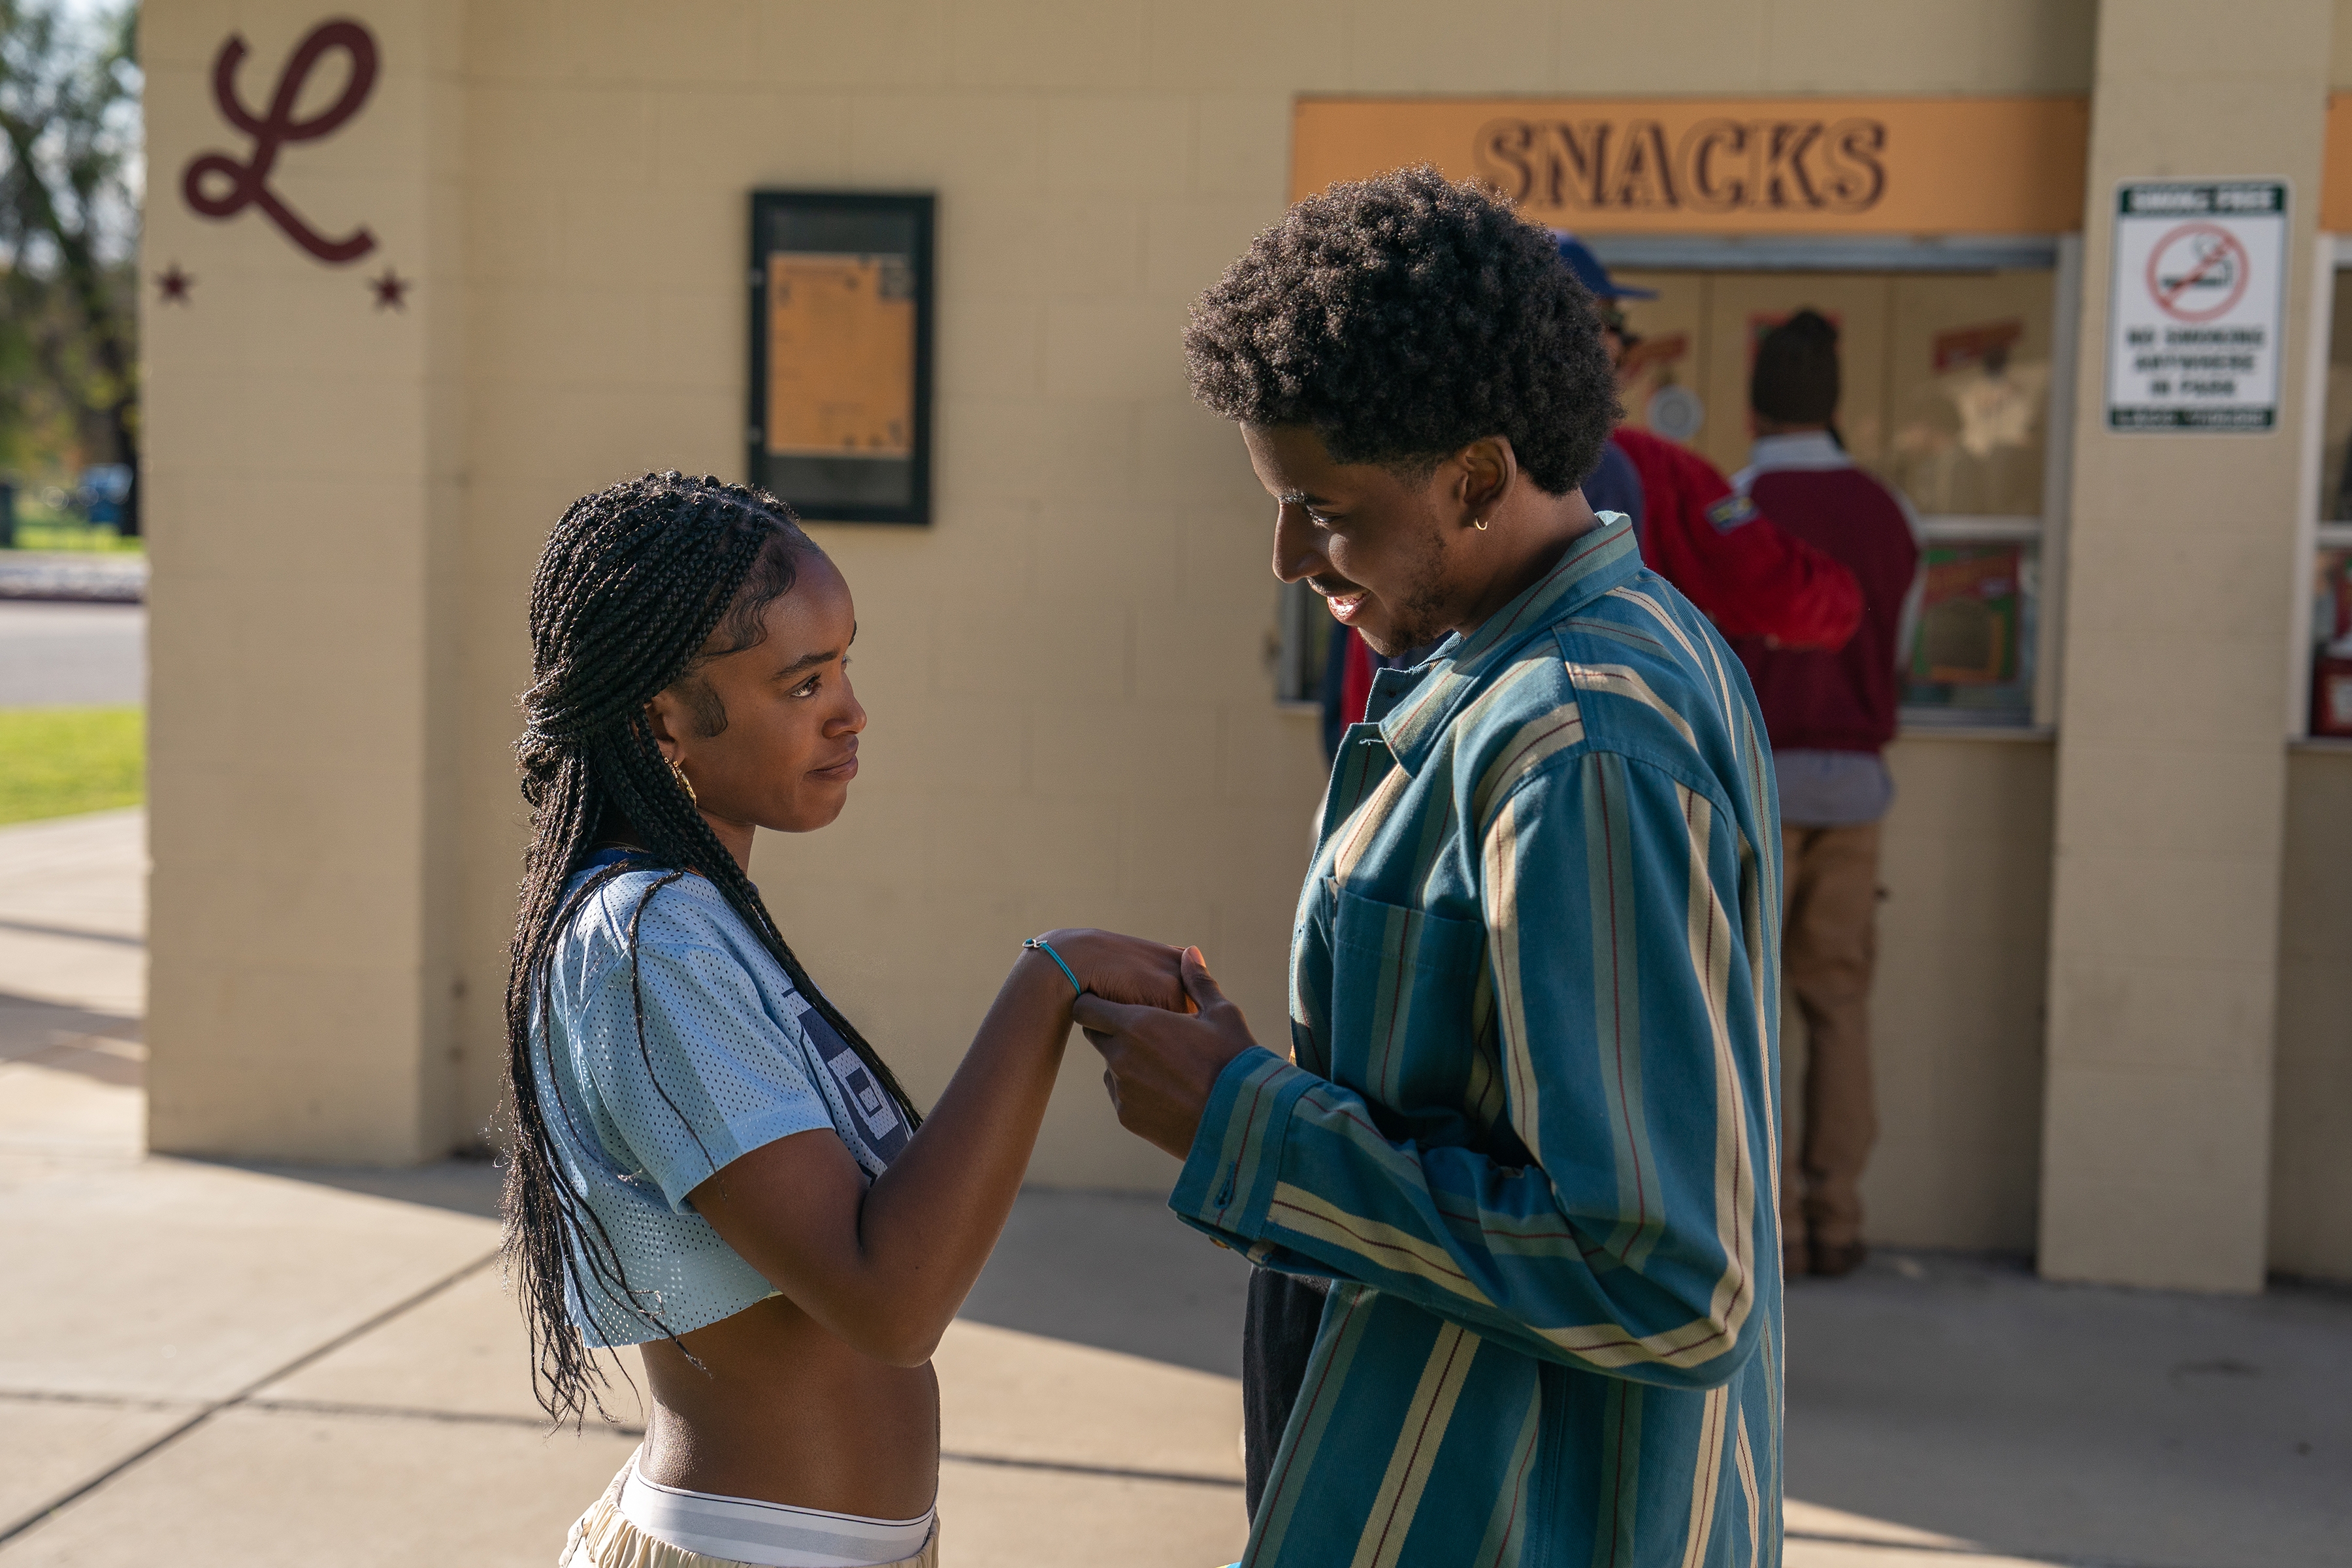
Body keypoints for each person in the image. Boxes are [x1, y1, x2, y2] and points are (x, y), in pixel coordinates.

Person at [1075, 170, 1784, 1565]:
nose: (1286, 558)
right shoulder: (1520, 669)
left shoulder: (1578, 743)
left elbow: (1667, 1280)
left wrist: (1246, 1123)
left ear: (1473, 476)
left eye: (1323, 510)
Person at [500, 472, 1188, 1568]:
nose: (851, 710)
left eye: (845, 664)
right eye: (804, 682)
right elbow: (888, 1301)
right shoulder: (645, 944)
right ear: (664, 717)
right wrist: (1044, 987)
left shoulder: (696, 922)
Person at [1728, 311, 1923, 1281]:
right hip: (1856, 786)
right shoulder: (1892, 515)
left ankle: (1774, 1228)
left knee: (1747, 1009)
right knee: (1838, 1004)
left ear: (1756, 401)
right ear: (1835, 401)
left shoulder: (1737, 502)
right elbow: (1905, 652)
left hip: (1756, 783)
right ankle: (1837, 1218)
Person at [1553, 235, 1864, 654]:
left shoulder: (1457, 460)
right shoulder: (1653, 468)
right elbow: (1781, 591)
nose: (1625, 344)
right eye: (1612, 324)